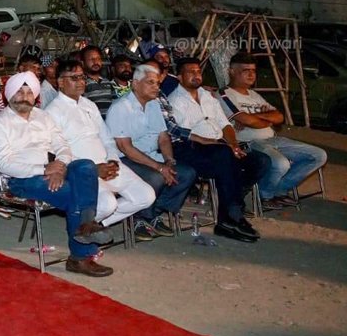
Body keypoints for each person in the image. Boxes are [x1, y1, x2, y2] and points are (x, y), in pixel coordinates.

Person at [0, 73, 114, 277]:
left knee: (86, 166)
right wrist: (45, 169)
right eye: (19, 91)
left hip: (51, 169)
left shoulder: (43, 116)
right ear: (8, 95)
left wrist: (60, 166)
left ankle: (85, 225)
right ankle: (80, 255)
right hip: (21, 180)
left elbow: (62, 145)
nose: (24, 97)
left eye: (29, 92)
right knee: (73, 193)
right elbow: (6, 165)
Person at [45, 60, 155, 237]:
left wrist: (112, 160)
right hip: (84, 172)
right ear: (60, 82)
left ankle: (91, 226)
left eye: (82, 77)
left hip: (107, 164)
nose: (81, 81)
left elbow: (106, 138)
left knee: (146, 196)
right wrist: (94, 170)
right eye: (74, 77)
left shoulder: (89, 105)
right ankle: (86, 228)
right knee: (108, 204)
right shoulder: (52, 112)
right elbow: (58, 152)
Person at [168, 58, 270, 242]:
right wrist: (224, 147)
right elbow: (186, 135)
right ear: (179, 77)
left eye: (198, 72)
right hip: (192, 149)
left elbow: (225, 124)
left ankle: (230, 207)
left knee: (260, 161)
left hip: (220, 146)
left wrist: (233, 145)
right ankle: (232, 216)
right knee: (225, 158)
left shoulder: (207, 96)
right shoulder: (174, 101)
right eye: (190, 72)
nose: (196, 75)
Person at [222, 51, 327, 207]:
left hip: (273, 139)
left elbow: (279, 117)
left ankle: (278, 190)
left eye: (253, 71)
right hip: (250, 142)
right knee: (280, 163)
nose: (251, 74)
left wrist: (256, 117)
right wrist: (262, 117)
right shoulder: (224, 95)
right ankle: (266, 195)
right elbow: (249, 121)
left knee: (318, 155)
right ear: (232, 71)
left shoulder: (254, 95)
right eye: (246, 71)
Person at [105, 64, 197, 238]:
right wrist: (159, 167)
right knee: (157, 176)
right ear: (135, 84)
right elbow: (125, 147)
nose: (157, 87)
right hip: (126, 159)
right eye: (151, 83)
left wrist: (169, 161)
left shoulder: (153, 105)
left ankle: (154, 212)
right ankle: (139, 217)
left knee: (186, 174)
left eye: (157, 83)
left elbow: (163, 137)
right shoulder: (121, 107)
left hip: (151, 157)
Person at [79, 45, 117, 118]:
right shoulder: (81, 83)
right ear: (83, 63)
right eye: (91, 59)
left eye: (98, 58)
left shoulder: (107, 82)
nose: (96, 62)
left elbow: (115, 102)